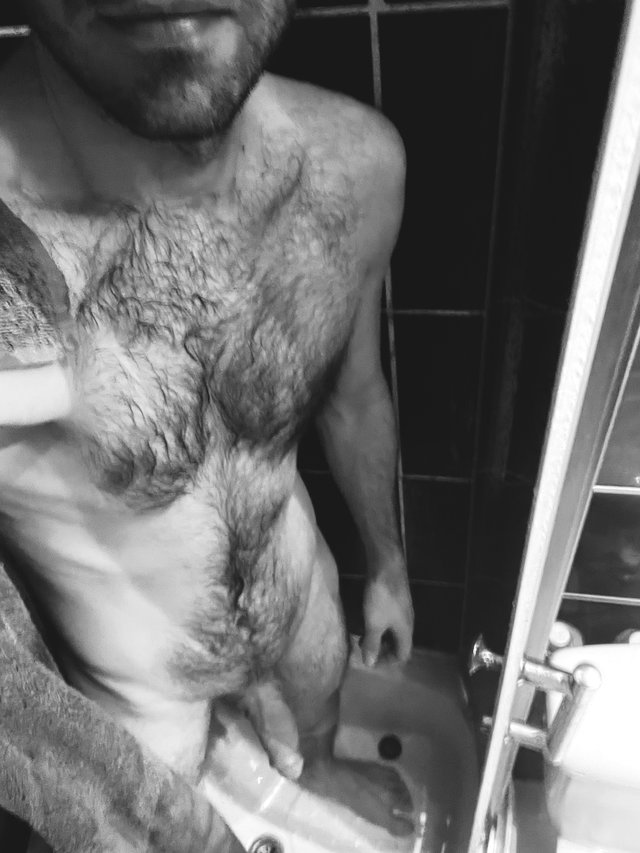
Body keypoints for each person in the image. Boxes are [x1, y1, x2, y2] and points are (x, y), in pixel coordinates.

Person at [0, 0, 415, 845]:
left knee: (318, 698)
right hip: (144, 704)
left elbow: (355, 397)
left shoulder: (352, 166)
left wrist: (388, 566)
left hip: (299, 595)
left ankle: (317, 765)